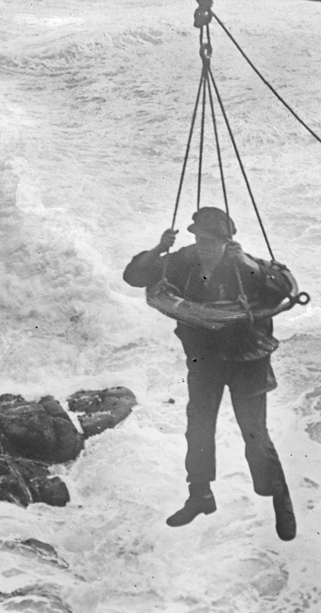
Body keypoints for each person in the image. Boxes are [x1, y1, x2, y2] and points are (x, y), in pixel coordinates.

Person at [123, 206, 297, 541]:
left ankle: (280, 500)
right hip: (205, 358)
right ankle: (200, 495)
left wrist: (247, 264)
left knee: (255, 434)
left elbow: (284, 286)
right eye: (200, 238)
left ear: (227, 241)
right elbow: (134, 277)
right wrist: (159, 248)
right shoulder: (183, 261)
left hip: (247, 358)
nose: (204, 245)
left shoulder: (244, 264)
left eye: (212, 240)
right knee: (198, 427)